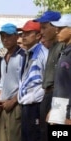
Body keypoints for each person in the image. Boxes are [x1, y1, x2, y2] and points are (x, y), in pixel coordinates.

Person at [33, 10, 64, 141]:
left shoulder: (64, 48)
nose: (41, 32)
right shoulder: (52, 47)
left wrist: (57, 108)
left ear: (56, 27)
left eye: (45, 28)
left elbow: (64, 82)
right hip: (47, 96)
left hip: (58, 97)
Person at [17, 20, 48, 141]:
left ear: (38, 35)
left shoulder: (43, 54)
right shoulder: (27, 54)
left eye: (28, 33)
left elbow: (47, 81)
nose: (23, 36)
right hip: (26, 106)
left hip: (36, 106)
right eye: (22, 33)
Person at [0, 23, 23, 141]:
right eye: (2, 36)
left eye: (8, 36)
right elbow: (2, 82)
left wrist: (13, 101)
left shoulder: (23, 56)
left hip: (15, 106)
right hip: (2, 107)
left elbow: (26, 84)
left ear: (17, 37)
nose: (5, 39)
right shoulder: (4, 57)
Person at [47, 14, 71, 125]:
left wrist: (69, 115)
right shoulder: (65, 51)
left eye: (60, 28)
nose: (57, 31)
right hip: (59, 107)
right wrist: (54, 110)